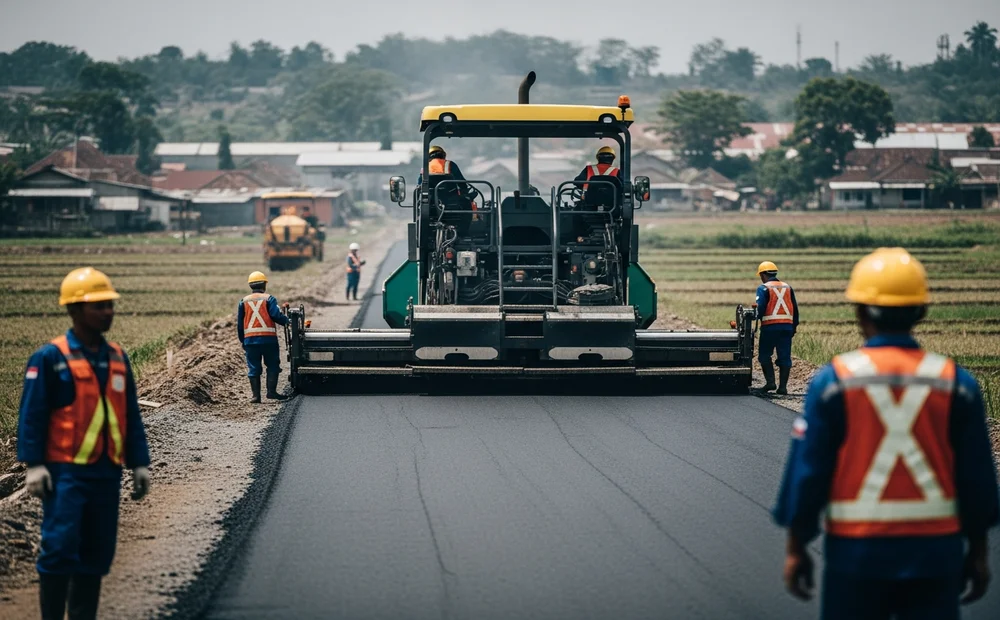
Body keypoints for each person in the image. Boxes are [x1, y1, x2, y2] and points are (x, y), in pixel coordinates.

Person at [773, 247, 999, 620]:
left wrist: (797, 546)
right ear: (922, 311)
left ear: (860, 312)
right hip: (936, 556)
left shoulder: (834, 382)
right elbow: (977, 479)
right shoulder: (957, 385)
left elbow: (808, 472)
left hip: (855, 555)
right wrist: (978, 551)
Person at [17, 267, 151, 620]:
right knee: (60, 549)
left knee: (96, 553)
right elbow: (32, 415)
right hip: (65, 474)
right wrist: (33, 465)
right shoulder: (51, 358)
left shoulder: (118, 358)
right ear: (74, 311)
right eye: (98, 306)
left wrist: (139, 463)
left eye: (109, 305)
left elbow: (130, 416)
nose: (107, 312)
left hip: (106, 473)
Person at [237, 271, 290, 403]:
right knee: (272, 365)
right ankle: (271, 392)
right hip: (268, 340)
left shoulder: (243, 301)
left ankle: (256, 396)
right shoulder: (269, 299)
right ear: (264, 284)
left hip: (250, 340)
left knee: (253, 367)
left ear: (250, 285)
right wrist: (287, 321)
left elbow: (240, 324)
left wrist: (242, 340)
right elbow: (275, 315)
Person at [756, 260, 799, 395]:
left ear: (763, 274)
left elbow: (760, 308)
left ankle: (770, 383)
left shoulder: (763, 288)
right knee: (784, 356)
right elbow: (795, 309)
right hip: (786, 328)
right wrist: (794, 327)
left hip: (769, 328)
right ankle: (783, 387)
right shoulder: (788, 287)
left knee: (764, 355)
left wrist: (755, 317)